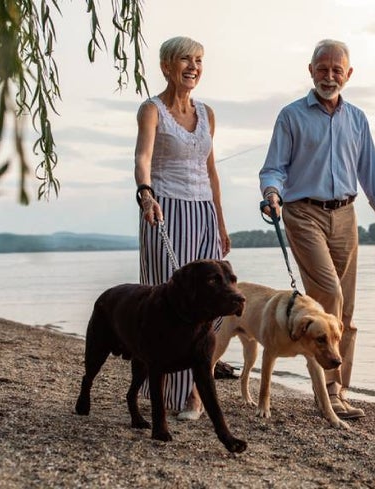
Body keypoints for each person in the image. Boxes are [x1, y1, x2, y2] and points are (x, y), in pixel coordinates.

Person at [259, 39, 375, 420]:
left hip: (346, 216)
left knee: (346, 314)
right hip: (303, 213)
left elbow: (371, 172)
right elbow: (274, 167)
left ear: (348, 75)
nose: (329, 75)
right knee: (330, 295)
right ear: (310, 70)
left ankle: (339, 389)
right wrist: (271, 194)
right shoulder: (291, 116)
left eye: (337, 69)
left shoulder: (357, 118)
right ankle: (331, 395)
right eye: (323, 68)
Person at [134, 36, 230, 420]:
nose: (194, 66)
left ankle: (193, 386)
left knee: (216, 304)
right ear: (167, 66)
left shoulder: (207, 113)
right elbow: (142, 157)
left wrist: (221, 221)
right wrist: (145, 193)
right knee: (168, 305)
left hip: (204, 212)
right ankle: (175, 394)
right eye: (186, 60)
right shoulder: (151, 110)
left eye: (199, 60)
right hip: (165, 210)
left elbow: (211, 170)